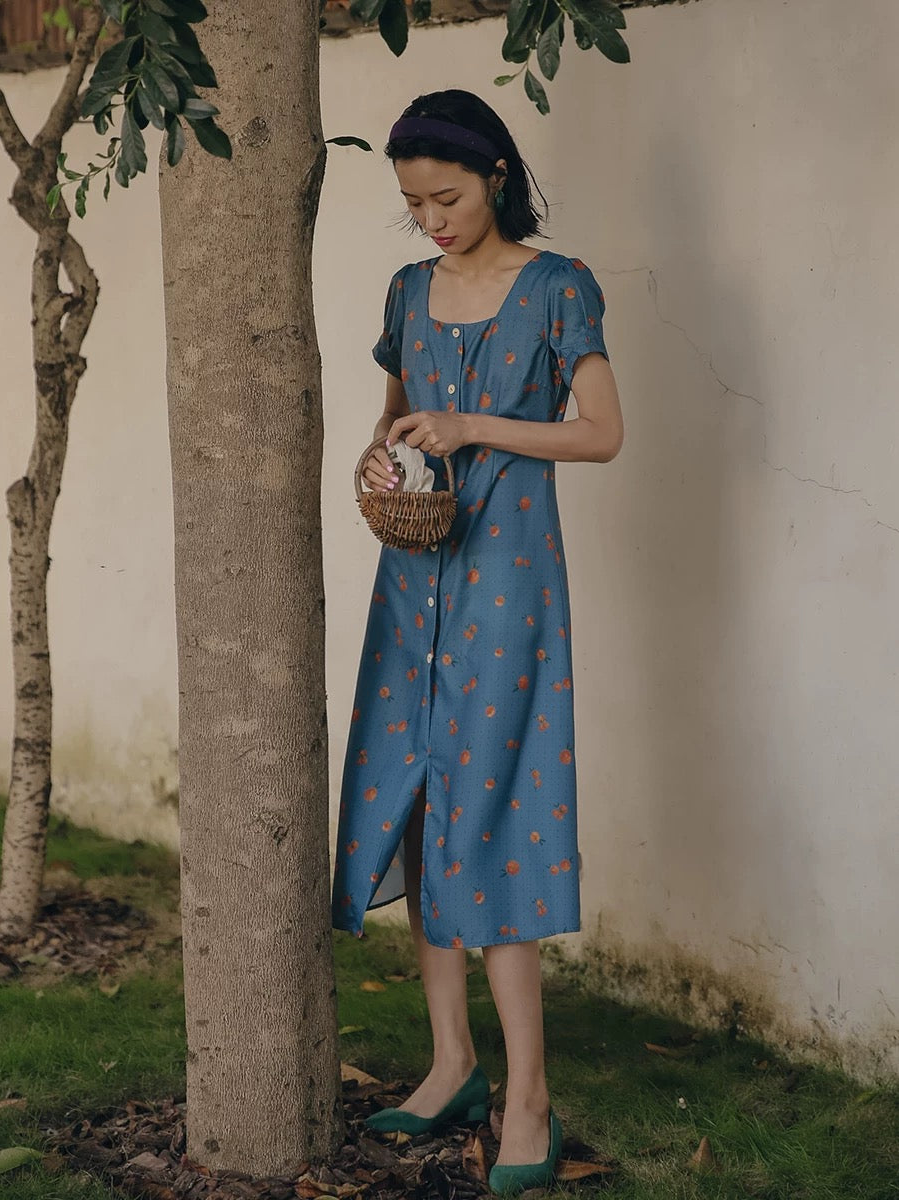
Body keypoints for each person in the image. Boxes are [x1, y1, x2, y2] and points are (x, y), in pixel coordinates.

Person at [331, 89, 624, 1195]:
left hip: (506, 586)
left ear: (495, 174)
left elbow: (601, 431)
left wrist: (472, 427)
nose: (433, 221)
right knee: (413, 800)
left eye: (447, 197)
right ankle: (453, 1061)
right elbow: (396, 425)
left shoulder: (558, 287)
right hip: (414, 578)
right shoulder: (409, 291)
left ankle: (532, 1101)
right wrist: (381, 462)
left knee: (490, 815)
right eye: (414, 206)